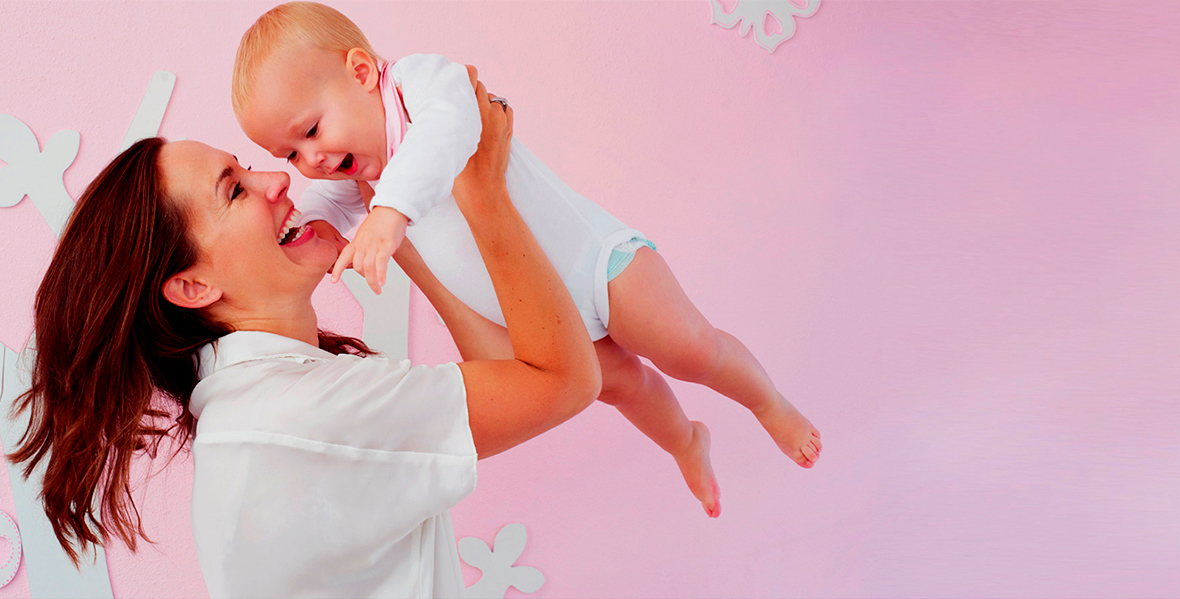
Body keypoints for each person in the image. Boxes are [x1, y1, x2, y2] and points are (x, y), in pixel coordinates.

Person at [8, 72, 599, 597]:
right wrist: (486, 196)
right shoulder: (306, 412)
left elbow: (506, 375)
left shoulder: (259, 409)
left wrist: (397, 227)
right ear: (193, 287)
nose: (277, 179)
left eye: (245, 166)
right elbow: (564, 382)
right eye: (234, 190)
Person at [231, 2, 821, 518]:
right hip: (544, 316)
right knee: (624, 387)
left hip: (599, 267)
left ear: (361, 73)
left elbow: (452, 127)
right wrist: (296, 232)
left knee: (692, 348)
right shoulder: (358, 175)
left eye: (312, 130)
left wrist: (389, 213)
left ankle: (767, 401)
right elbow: (324, 212)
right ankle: (686, 440)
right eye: (290, 153)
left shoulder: (416, 86)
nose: (310, 159)